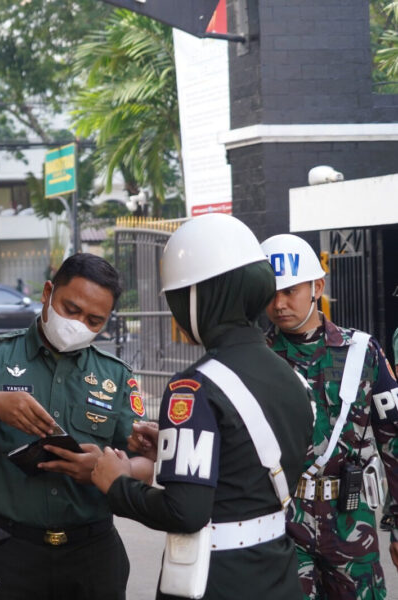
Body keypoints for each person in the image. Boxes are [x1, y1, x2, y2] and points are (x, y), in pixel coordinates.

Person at [89, 214, 314, 600]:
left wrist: (117, 485)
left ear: (197, 296)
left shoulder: (192, 388)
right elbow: (248, 464)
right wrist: (170, 446)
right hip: (277, 572)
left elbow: (185, 512)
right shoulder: (290, 376)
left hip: (216, 580)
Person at [0, 253, 152, 600]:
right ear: (48, 293)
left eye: (94, 320)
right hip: (7, 552)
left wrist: (109, 470)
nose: (79, 324)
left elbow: (146, 465)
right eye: (71, 309)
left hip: (92, 555)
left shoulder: (116, 377)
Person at [261, 233, 398, 599]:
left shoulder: (362, 352)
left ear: (317, 286)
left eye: (290, 290)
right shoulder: (254, 358)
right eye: (271, 292)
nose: (279, 303)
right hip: (279, 521)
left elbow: (394, 440)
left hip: (352, 518)